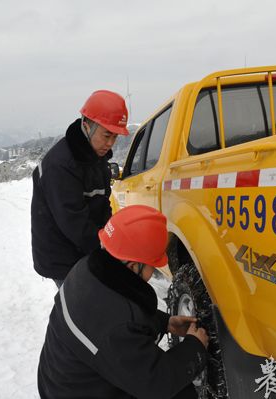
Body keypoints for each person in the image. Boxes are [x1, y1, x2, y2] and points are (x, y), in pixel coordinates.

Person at [38, 205, 209, 398]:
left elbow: (118, 316)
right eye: (153, 265)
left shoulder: (86, 269)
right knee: (180, 393)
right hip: (76, 391)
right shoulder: (117, 325)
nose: (154, 271)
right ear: (134, 266)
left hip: (64, 382)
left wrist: (165, 322)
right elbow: (157, 384)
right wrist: (195, 347)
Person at [31, 90, 129, 288]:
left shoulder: (98, 157)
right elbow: (74, 223)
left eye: (116, 137)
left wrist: (111, 237)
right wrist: (107, 251)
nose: (110, 144)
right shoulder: (60, 166)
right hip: (60, 255)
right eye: (107, 135)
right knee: (80, 310)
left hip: (83, 247)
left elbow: (103, 204)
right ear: (86, 126)